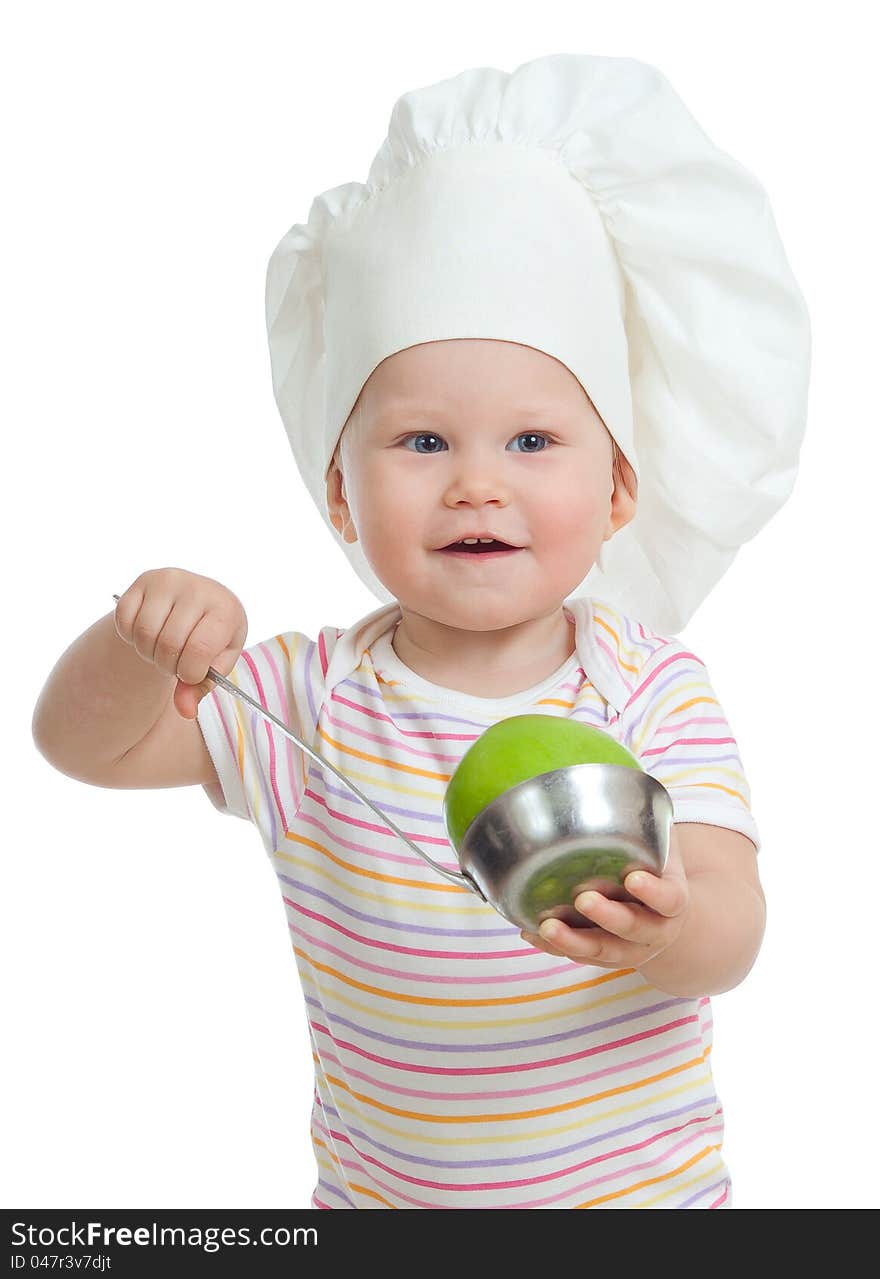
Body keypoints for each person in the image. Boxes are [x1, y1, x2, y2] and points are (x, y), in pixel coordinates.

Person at [31, 53, 810, 1209]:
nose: (477, 486)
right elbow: (84, 747)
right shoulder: (303, 699)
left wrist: (671, 929)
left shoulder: (648, 687)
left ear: (617, 493)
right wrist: (141, 646)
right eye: (424, 443)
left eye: (534, 442)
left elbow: (733, 928)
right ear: (341, 497)